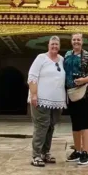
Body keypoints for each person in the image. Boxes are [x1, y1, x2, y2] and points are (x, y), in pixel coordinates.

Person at [27, 36, 66, 167]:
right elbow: (32, 76)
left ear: (59, 46)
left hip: (56, 101)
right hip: (40, 99)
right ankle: (36, 155)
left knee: (50, 126)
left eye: (56, 44)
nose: (54, 46)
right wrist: (33, 94)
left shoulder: (62, 60)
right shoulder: (41, 58)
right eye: (52, 44)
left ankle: (45, 153)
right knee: (41, 126)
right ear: (48, 45)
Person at [64, 33, 88, 166]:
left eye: (78, 40)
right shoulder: (67, 54)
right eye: (74, 40)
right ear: (71, 41)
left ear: (82, 41)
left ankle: (85, 152)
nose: (76, 42)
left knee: (84, 122)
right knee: (75, 123)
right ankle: (77, 151)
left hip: (84, 93)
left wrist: (84, 80)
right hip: (71, 93)